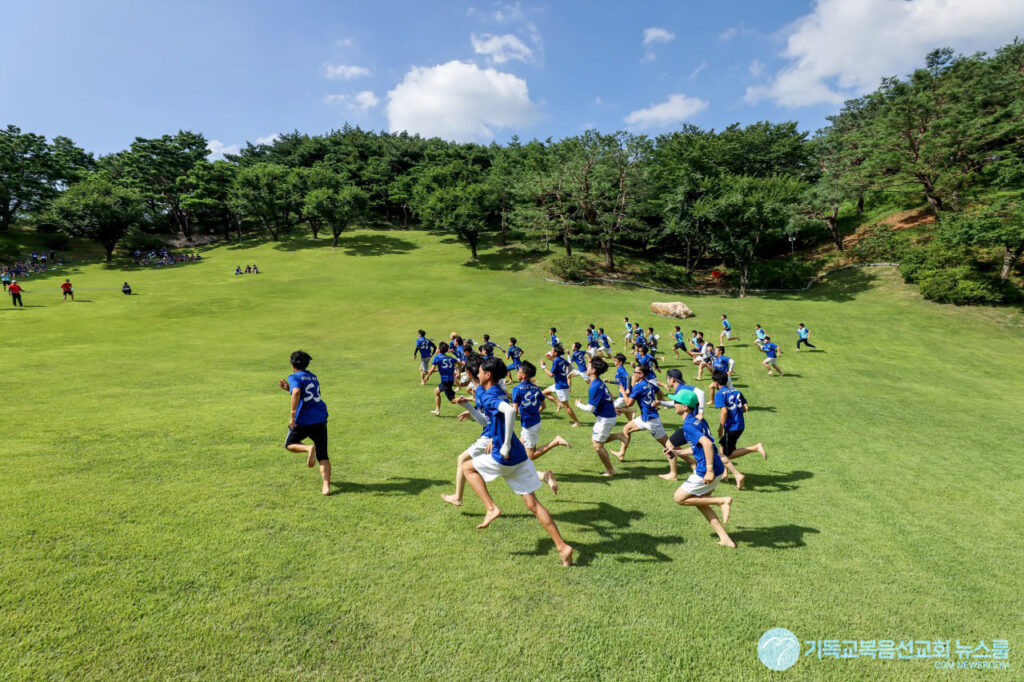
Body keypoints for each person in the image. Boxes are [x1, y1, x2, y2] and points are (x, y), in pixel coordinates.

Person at [454, 357, 575, 566]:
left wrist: (506, 445)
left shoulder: (491, 394)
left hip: (506, 457)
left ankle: (491, 508)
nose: (477, 375)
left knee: (466, 467)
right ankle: (563, 548)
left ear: (488, 375)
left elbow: (510, 411)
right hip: (520, 458)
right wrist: (470, 407)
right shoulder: (497, 392)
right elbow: (487, 421)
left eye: (480, 372)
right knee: (533, 504)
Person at [664, 390, 735, 548]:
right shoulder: (699, 421)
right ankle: (725, 538)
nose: (674, 404)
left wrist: (708, 470)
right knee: (702, 503)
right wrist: (679, 452)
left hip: (707, 470)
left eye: (676, 402)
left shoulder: (689, 425)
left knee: (679, 498)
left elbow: (708, 445)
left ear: (684, 406)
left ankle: (722, 501)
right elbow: (701, 446)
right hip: (716, 467)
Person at [278, 350, 331, 496]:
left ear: (292, 365)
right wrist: (288, 388)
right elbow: (306, 394)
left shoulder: (294, 376)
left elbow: (297, 392)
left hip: (303, 420)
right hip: (320, 418)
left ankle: (308, 448)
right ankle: (326, 486)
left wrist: (292, 415)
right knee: (323, 454)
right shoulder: (313, 377)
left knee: (289, 444)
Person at [510, 361, 568, 488]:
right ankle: (516, 467)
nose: (517, 373)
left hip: (528, 426)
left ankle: (555, 442)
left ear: (524, 375)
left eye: (519, 371)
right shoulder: (536, 388)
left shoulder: (516, 389)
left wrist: (508, 417)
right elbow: (544, 406)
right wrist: (532, 412)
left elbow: (514, 411)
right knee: (516, 448)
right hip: (535, 421)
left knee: (531, 455)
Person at [711, 370, 766, 490]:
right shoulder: (736, 391)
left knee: (725, 455)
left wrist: (720, 427)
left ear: (715, 383)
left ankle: (755, 448)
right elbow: (746, 407)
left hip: (732, 427)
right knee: (723, 446)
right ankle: (725, 474)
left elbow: (724, 411)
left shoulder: (720, 394)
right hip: (739, 425)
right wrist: (737, 412)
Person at [610, 364, 670, 473]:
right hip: (644, 418)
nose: (633, 374)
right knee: (626, 429)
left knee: (669, 445)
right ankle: (621, 454)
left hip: (652, 421)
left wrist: (623, 391)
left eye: (635, 372)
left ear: (641, 375)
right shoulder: (650, 384)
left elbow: (628, 403)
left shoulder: (638, 387)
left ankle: (692, 462)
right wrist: (658, 403)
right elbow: (660, 393)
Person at [574, 357, 628, 477]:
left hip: (605, 418)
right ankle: (618, 436)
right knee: (595, 441)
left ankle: (610, 471)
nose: (587, 367)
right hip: (606, 416)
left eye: (589, 366)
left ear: (593, 370)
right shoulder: (598, 382)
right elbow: (610, 395)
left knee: (598, 446)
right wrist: (614, 408)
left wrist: (578, 405)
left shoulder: (594, 386)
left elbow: (590, 408)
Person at [540, 346, 582, 427]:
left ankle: (577, 422)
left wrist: (543, 367)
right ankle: (558, 403)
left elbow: (551, 375)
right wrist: (567, 373)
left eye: (552, 350)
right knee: (544, 393)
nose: (550, 351)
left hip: (561, 387)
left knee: (566, 406)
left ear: (555, 353)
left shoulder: (556, 361)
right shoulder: (561, 359)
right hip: (558, 384)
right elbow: (569, 365)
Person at [423, 342, 460, 416]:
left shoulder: (437, 357)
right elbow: (460, 363)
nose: (436, 349)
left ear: (439, 350)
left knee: (452, 401)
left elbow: (433, 369)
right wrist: (458, 373)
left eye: (437, 348)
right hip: (450, 380)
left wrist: (427, 377)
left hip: (446, 381)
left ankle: (469, 399)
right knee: (437, 391)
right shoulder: (450, 358)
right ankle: (437, 410)